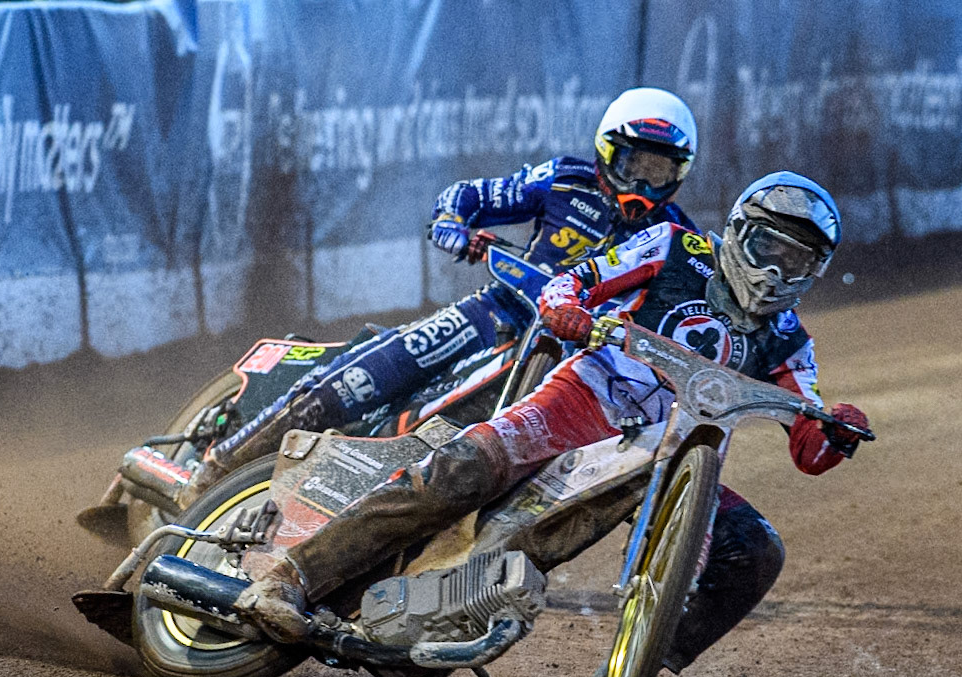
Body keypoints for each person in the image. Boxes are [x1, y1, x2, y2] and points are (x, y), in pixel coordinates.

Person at [237, 171, 872, 677]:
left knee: (756, 548)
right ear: (738, 232)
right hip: (586, 400)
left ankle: (640, 665)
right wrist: (568, 308)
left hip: (673, 459)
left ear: (812, 273)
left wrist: (837, 426)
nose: (773, 272)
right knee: (466, 468)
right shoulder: (679, 248)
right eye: (767, 248)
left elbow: (809, 448)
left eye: (795, 263)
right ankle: (290, 576)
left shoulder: (790, 341)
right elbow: (578, 280)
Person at [177, 88, 702, 505]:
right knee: (356, 385)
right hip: (497, 314)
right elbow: (465, 196)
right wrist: (454, 227)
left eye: (660, 173)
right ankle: (212, 472)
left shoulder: (678, 237)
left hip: (570, 362)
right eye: (636, 166)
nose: (644, 185)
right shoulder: (564, 180)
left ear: (680, 173)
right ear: (609, 152)